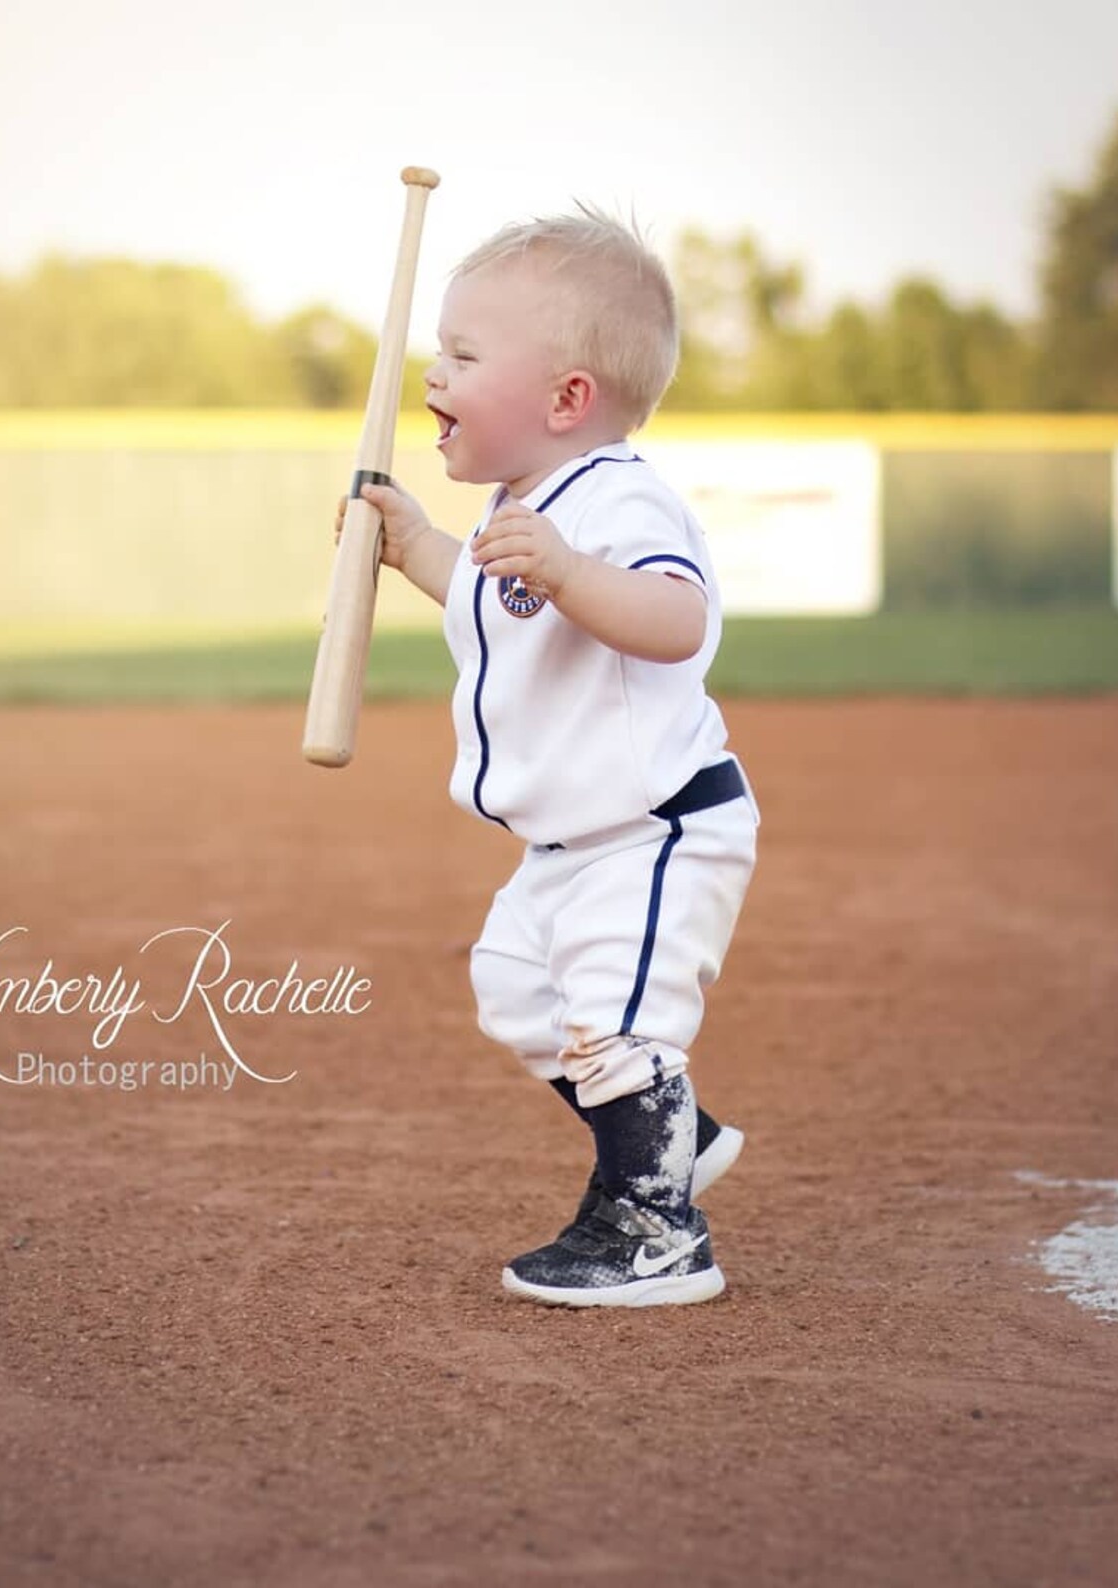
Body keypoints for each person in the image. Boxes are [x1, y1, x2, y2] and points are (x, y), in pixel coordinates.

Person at [347, 206, 758, 1307]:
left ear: (567, 398)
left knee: (615, 1023)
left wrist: (573, 571)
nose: (434, 371)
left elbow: (679, 621)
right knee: (515, 990)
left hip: (655, 826)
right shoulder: (521, 507)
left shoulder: (615, 498)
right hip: (565, 842)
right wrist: (414, 544)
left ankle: (657, 1229)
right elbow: (498, 603)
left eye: (463, 355)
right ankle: (673, 1129)